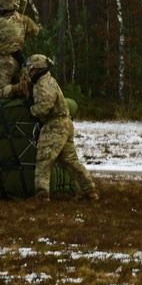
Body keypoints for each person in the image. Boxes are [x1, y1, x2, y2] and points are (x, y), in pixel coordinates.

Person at [25, 53, 99, 201]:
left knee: (44, 159)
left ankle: (41, 194)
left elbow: (43, 109)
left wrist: (30, 107)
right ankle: (89, 190)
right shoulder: (50, 81)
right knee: (70, 160)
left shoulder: (43, 84)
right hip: (65, 123)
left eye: (30, 70)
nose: (29, 73)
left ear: (36, 69)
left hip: (55, 124)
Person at [0, 0, 39, 97]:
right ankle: (19, 91)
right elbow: (35, 31)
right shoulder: (24, 19)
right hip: (20, 60)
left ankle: (19, 87)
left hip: (5, 61)